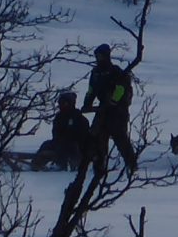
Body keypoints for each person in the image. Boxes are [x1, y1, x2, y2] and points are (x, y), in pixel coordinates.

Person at [84, 43, 138, 172]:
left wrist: (114, 101)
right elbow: (91, 89)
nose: (98, 58)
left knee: (120, 138)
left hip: (117, 111)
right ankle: (99, 166)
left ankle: (132, 165)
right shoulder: (95, 72)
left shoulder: (116, 71)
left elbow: (121, 88)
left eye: (101, 56)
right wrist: (87, 103)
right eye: (97, 56)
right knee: (98, 138)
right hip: (102, 109)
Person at [50, 90, 96, 168]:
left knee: (71, 147)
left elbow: (83, 138)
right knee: (45, 146)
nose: (61, 105)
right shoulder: (59, 117)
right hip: (60, 144)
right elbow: (55, 133)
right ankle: (36, 166)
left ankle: (63, 167)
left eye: (63, 103)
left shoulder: (79, 118)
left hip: (75, 147)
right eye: (60, 103)